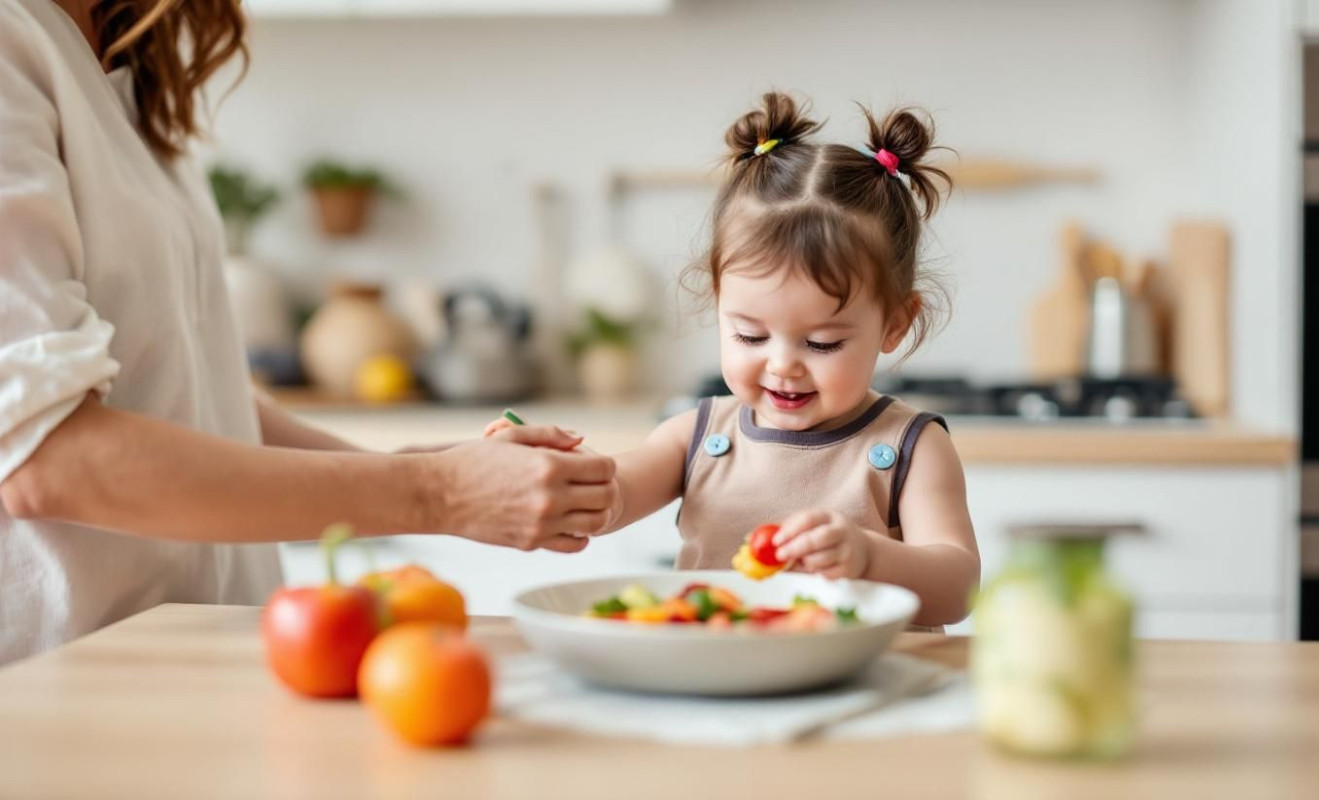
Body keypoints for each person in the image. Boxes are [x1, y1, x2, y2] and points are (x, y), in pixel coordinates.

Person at [0, 0, 618, 665]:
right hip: (61, 688)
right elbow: (47, 455)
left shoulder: (128, 58)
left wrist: (410, 470)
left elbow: (194, 390)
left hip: (202, 663)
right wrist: (440, 493)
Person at [489, 93, 979, 628]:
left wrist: (869, 558)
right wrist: (549, 475)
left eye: (821, 344)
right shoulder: (695, 436)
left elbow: (958, 588)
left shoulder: (911, 447)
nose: (783, 365)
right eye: (750, 335)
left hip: (866, 685)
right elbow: (610, 497)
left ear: (894, 324)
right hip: (711, 679)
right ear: (718, 305)